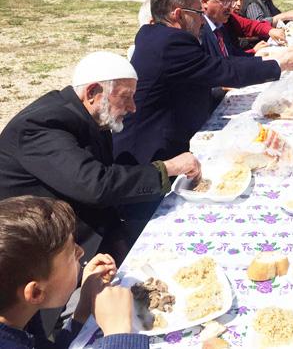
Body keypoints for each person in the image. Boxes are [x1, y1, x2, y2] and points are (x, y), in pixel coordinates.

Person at [0, 51, 200, 265]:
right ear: (93, 91)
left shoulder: (91, 113)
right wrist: (167, 167)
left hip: (90, 219)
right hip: (45, 247)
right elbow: (95, 185)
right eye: (125, 97)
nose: (133, 108)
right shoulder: (40, 127)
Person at [112, 0, 293, 166]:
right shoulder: (171, 43)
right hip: (150, 152)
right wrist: (277, 65)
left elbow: (214, 67)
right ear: (178, 14)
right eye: (198, 13)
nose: (202, 20)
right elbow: (223, 70)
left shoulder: (156, 35)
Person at [0, 195, 148, 349]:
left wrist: (83, 308)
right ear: (36, 292)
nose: (82, 252)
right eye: (71, 254)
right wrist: (119, 333)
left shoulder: (18, 313)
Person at [199, 0, 287, 58]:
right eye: (224, 1)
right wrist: (253, 52)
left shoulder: (224, 20)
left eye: (231, 1)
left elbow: (250, 25)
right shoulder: (197, 32)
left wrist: (270, 30)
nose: (230, 6)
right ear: (205, 2)